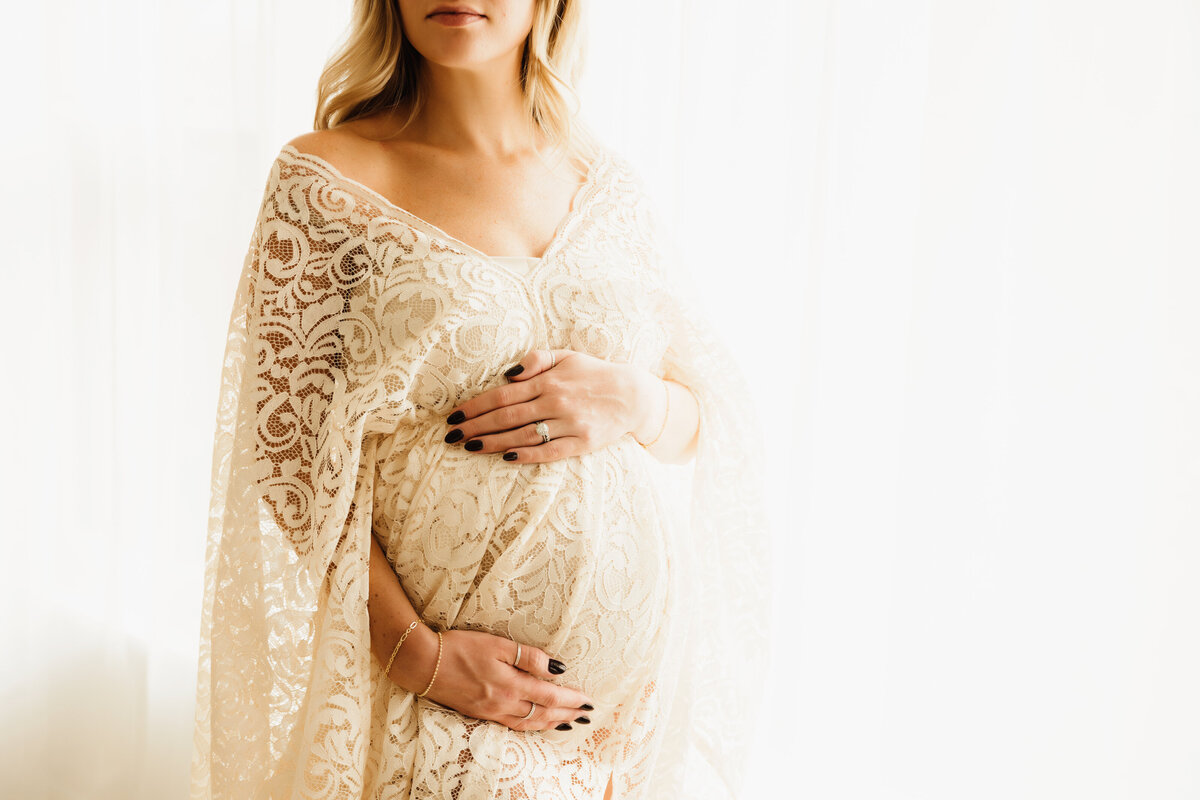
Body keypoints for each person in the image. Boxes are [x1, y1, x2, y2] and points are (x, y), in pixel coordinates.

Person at [188, 1, 769, 798]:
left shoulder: (606, 187)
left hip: (629, 732)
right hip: (445, 708)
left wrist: (634, 401)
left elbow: (702, 416)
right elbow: (289, 463)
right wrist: (417, 655)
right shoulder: (327, 179)